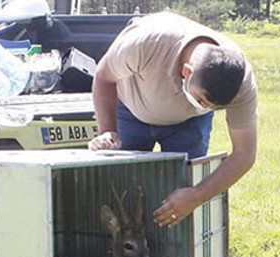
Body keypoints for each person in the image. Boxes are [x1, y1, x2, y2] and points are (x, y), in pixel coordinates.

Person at [88, 12, 258, 228]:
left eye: (216, 108)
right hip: (131, 110)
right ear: (187, 71)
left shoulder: (240, 80)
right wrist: (107, 130)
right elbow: (103, 76)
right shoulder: (145, 44)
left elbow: (245, 154)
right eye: (201, 100)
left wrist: (197, 195)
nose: (206, 108)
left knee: (180, 201)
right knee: (123, 189)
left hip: (189, 124)